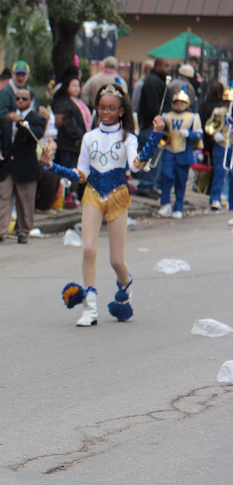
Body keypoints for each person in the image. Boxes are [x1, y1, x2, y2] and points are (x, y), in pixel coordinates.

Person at [41, 84, 165, 326]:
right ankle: (90, 307)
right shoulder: (89, 137)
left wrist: (156, 136)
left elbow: (137, 165)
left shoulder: (128, 138)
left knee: (116, 261)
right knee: (88, 249)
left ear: (121, 111)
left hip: (118, 197)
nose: (105, 112)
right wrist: (51, 166)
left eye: (111, 108)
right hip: (93, 196)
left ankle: (125, 284)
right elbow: (81, 174)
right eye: (101, 107)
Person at [0, 88, 46, 244]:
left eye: (24, 99)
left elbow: (34, 136)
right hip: (8, 165)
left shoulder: (37, 118)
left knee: (25, 201)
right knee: (3, 197)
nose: (20, 101)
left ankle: (23, 231)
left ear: (31, 101)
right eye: (17, 98)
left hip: (26, 166)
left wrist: (19, 122)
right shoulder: (7, 118)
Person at [156, 88, 203, 219]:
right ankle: (165, 204)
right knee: (165, 177)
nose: (179, 105)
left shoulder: (193, 117)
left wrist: (189, 134)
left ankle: (178, 206)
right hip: (170, 151)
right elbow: (162, 132)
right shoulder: (167, 116)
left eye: (182, 103)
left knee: (180, 181)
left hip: (184, 152)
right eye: (177, 102)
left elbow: (199, 134)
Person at [52, 74, 90, 207]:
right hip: (68, 143)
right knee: (68, 170)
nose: (77, 89)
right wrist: (78, 136)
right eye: (73, 86)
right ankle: (66, 196)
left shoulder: (77, 101)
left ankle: (72, 195)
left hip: (76, 144)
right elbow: (68, 122)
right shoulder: (64, 102)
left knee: (75, 170)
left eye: (78, 86)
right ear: (66, 87)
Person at [135, 57, 171, 198]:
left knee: (156, 156)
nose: (168, 69)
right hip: (152, 125)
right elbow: (152, 105)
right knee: (150, 155)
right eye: (166, 66)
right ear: (157, 66)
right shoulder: (153, 82)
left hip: (155, 124)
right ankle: (146, 184)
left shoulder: (158, 81)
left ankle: (150, 183)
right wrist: (159, 118)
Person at [208, 86, 233, 215]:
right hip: (221, 144)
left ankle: (230, 200)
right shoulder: (218, 111)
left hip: (232, 145)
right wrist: (215, 135)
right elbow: (211, 125)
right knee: (219, 172)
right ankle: (215, 199)